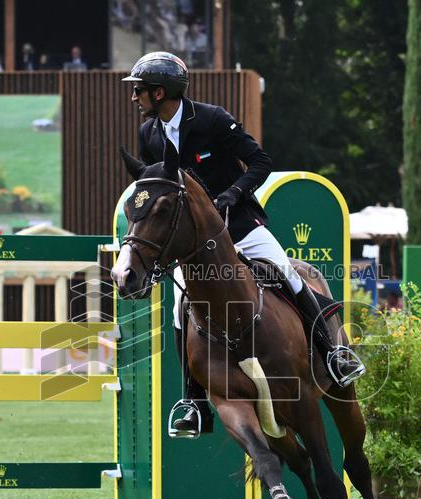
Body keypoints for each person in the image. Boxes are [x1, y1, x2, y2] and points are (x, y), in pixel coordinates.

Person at [123, 51, 365, 437]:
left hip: (239, 224)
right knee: (177, 309)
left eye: (139, 91)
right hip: (194, 245)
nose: (134, 97)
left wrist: (233, 193)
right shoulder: (148, 134)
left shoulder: (212, 119)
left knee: (290, 276)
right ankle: (194, 402)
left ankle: (335, 353)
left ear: (159, 91)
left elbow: (260, 161)